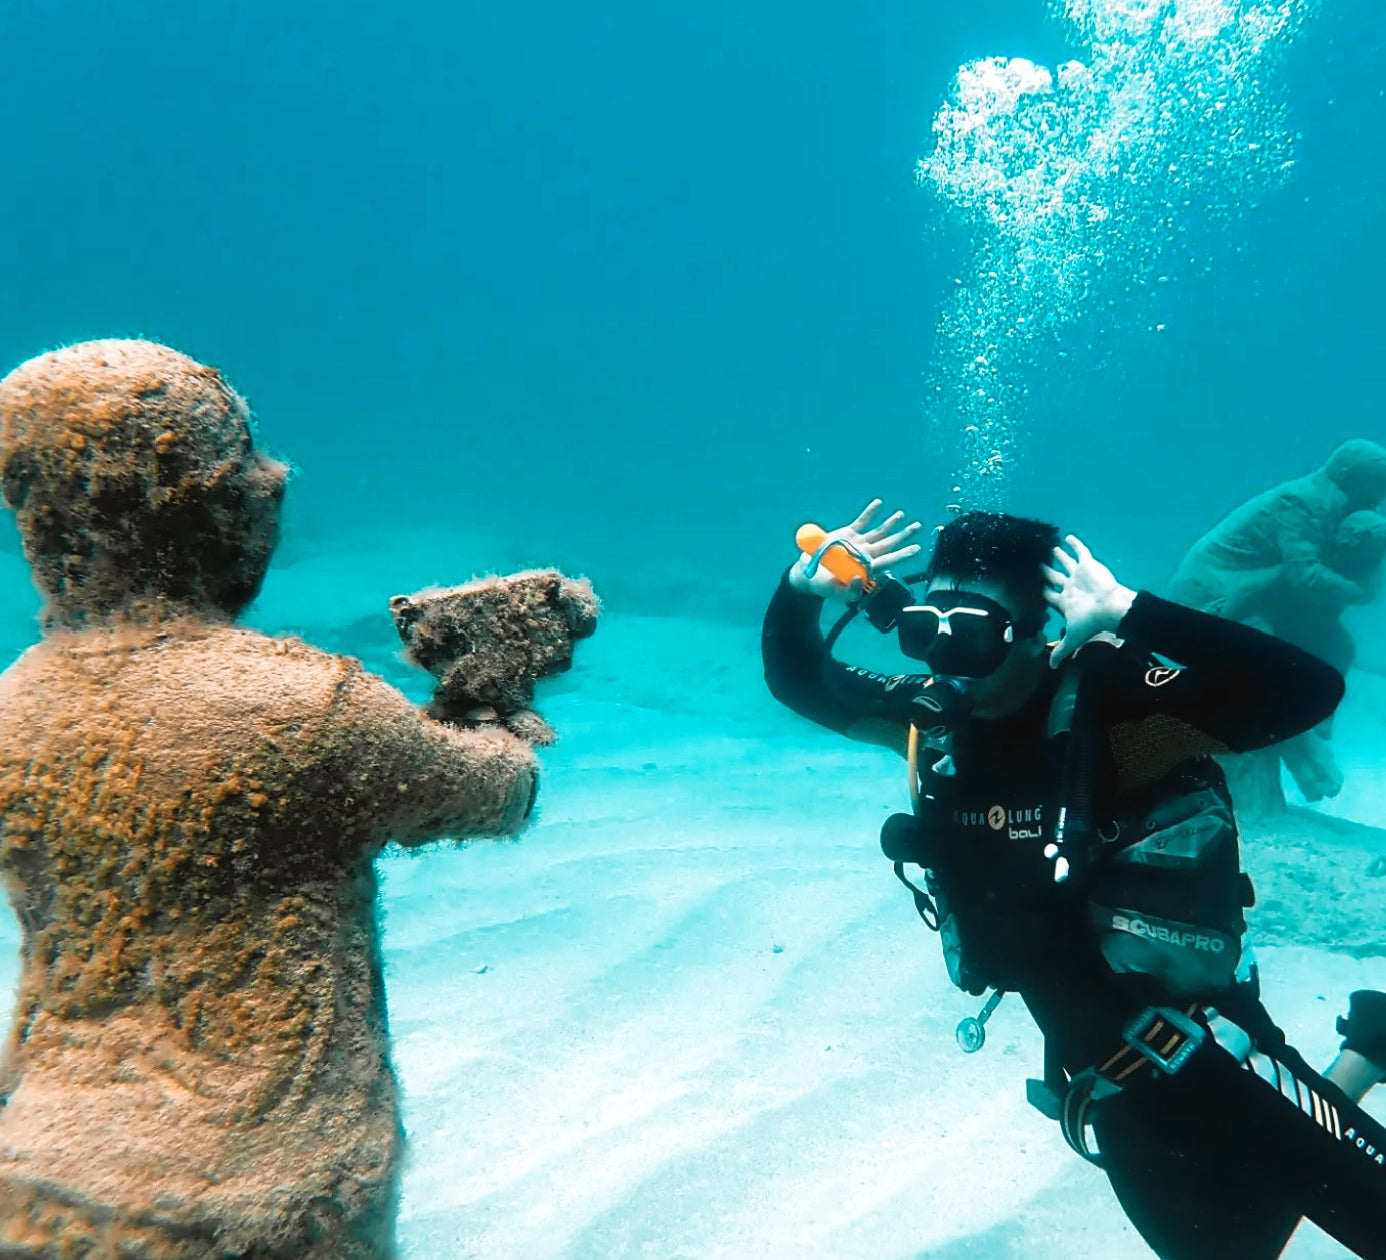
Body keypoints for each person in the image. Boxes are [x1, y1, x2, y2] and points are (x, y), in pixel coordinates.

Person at [762, 500, 1386, 1259]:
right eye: (929, 630)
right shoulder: (934, 726)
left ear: (1039, 631)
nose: (944, 663)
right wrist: (798, 591)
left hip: (1214, 1053)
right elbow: (802, 680)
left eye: (973, 635)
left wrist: (1132, 610)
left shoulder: (1125, 722)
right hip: (1102, 1082)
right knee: (1234, 1249)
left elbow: (1305, 692)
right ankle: (1370, 1050)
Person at [1166, 440, 1386, 812]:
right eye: (1376, 483)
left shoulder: (1341, 508)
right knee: (1269, 668)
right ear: (1348, 477)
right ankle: (1305, 752)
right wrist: (1360, 592)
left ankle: (1308, 729)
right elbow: (1308, 578)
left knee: (1338, 647)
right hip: (1216, 593)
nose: (1380, 494)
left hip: (1259, 595)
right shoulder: (1302, 504)